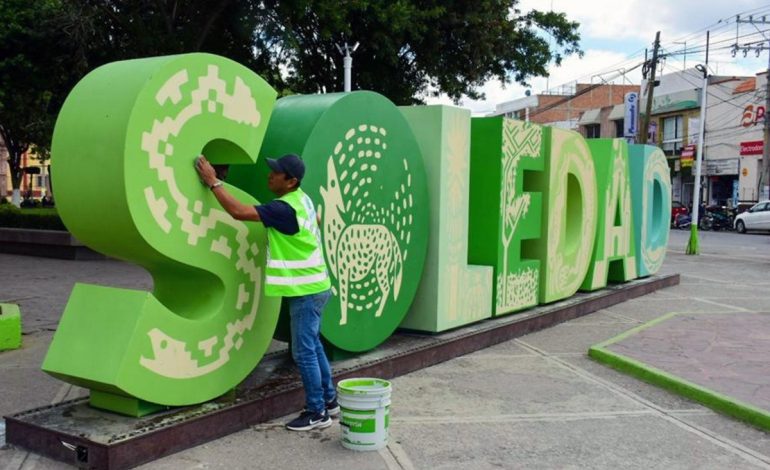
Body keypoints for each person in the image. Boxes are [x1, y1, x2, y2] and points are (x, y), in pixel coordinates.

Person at [194, 153, 339, 432]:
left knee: (304, 352)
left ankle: (317, 411)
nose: (270, 175)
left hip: (306, 291)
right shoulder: (302, 200)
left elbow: (238, 212)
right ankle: (329, 400)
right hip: (316, 286)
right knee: (313, 345)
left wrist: (213, 183)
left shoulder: (284, 209)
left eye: (276, 173)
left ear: (291, 181)